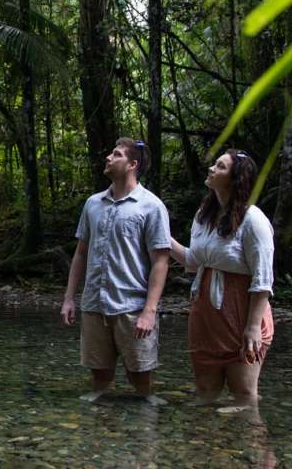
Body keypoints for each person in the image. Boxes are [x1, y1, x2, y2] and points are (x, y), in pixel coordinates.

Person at [60, 138, 172, 405]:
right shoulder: (93, 204)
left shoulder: (151, 206)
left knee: (141, 377)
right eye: (111, 153)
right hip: (95, 303)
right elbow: (81, 253)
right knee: (99, 373)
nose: (109, 158)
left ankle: (147, 422)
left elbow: (161, 261)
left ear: (133, 165)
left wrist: (149, 310)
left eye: (117, 154)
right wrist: (68, 298)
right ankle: (100, 426)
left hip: (132, 304)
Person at [169, 149, 274, 411]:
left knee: (244, 393)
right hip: (205, 315)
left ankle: (252, 446)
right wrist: (163, 238)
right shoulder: (203, 215)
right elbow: (193, 261)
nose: (211, 169)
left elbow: (262, 279)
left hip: (240, 316)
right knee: (205, 392)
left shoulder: (253, 219)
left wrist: (251, 328)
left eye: (220, 167)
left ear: (236, 179)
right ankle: (209, 447)